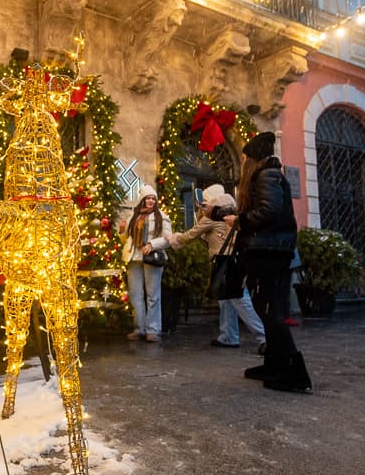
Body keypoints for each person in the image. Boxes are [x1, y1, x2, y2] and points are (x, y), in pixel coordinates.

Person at [223, 132, 311, 393]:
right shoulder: (269, 176)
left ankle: (295, 374)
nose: (241, 160)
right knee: (267, 309)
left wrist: (240, 221)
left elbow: (269, 211)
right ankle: (273, 364)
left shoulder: (266, 175)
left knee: (271, 310)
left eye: (244, 156)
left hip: (269, 252)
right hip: (269, 250)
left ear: (251, 158)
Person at [165, 184, 267, 351]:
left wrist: (171, 238)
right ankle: (228, 336)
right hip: (235, 259)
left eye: (205, 201)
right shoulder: (232, 211)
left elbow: (189, 236)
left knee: (240, 300)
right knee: (226, 301)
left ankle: (264, 337)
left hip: (225, 261)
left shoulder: (212, 217)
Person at [122, 185, 174, 342]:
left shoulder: (161, 217)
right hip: (134, 257)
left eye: (153, 198)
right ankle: (139, 328)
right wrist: (122, 231)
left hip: (151, 257)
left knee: (153, 295)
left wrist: (152, 244)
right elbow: (126, 239)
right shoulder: (134, 216)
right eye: (148, 198)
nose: (151, 201)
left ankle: (153, 330)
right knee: (135, 294)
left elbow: (168, 238)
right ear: (142, 200)